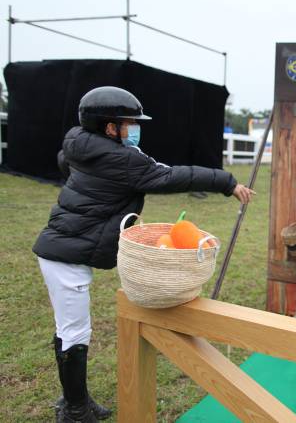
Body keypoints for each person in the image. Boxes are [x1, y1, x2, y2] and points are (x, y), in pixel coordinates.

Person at [33, 86, 254, 422]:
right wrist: (226, 182)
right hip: (65, 256)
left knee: (70, 328)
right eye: (129, 123)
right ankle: (75, 410)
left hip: (62, 249)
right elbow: (172, 176)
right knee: (74, 331)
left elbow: (66, 163)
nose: (135, 128)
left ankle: (76, 400)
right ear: (110, 127)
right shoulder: (122, 159)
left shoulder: (80, 144)